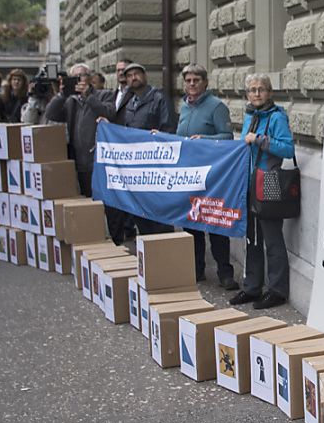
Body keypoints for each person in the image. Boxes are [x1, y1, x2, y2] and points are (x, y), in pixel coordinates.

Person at [229, 74, 295, 310]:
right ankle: (252, 287)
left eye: (261, 89)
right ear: (247, 94)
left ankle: (277, 290)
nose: (256, 93)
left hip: (269, 182)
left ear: (270, 93)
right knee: (251, 239)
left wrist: (259, 139)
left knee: (272, 239)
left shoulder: (277, 117)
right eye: (252, 90)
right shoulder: (250, 115)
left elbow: (287, 149)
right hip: (248, 184)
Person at [44, 63, 125, 241]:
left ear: (90, 77)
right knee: (90, 206)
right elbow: (51, 114)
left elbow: (109, 113)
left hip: (101, 162)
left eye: (82, 76)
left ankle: (119, 242)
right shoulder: (71, 100)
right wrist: (61, 94)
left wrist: (88, 96)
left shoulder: (104, 95)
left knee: (111, 207)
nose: (79, 80)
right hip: (81, 163)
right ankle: (96, 241)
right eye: (75, 77)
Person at [175, 64, 238, 289]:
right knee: (191, 223)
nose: (192, 84)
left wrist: (204, 139)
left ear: (205, 82)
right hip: (189, 175)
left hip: (212, 176)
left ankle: (225, 273)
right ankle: (196, 269)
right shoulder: (183, 107)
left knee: (214, 223)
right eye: (188, 80)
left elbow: (227, 137)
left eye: (196, 80)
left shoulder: (216, 106)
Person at [118, 63, 176, 235]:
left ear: (145, 76)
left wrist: (160, 137)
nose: (133, 78)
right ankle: (148, 251)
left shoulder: (159, 98)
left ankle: (165, 253)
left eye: (137, 74)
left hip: (156, 169)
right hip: (137, 170)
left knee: (159, 217)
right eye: (129, 76)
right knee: (141, 215)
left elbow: (170, 129)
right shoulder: (130, 102)